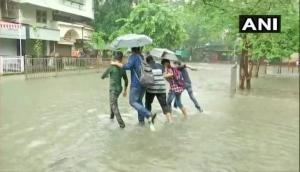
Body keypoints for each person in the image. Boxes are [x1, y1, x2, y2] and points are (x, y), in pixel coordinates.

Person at [111, 47, 157, 131]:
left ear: (132, 49)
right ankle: (141, 122)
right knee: (139, 102)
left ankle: (148, 114)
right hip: (144, 83)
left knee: (132, 102)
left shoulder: (134, 56)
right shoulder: (142, 57)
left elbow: (127, 66)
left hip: (136, 84)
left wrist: (115, 63)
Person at [101, 51, 128, 128]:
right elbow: (126, 80)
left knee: (113, 105)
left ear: (114, 58)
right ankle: (111, 117)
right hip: (119, 89)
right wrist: (125, 90)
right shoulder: (122, 68)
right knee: (112, 102)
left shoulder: (111, 67)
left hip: (113, 89)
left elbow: (102, 76)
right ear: (121, 59)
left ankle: (122, 124)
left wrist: (106, 76)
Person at [145, 55, 173, 123]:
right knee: (164, 105)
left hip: (151, 89)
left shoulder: (147, 67)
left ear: (147, 61)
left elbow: (145, 78)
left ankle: (149, 118)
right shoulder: (160, 65)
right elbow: (164, 75)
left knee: (148, 103)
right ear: (153, 60)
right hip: (161, 88)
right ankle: (170, 121)